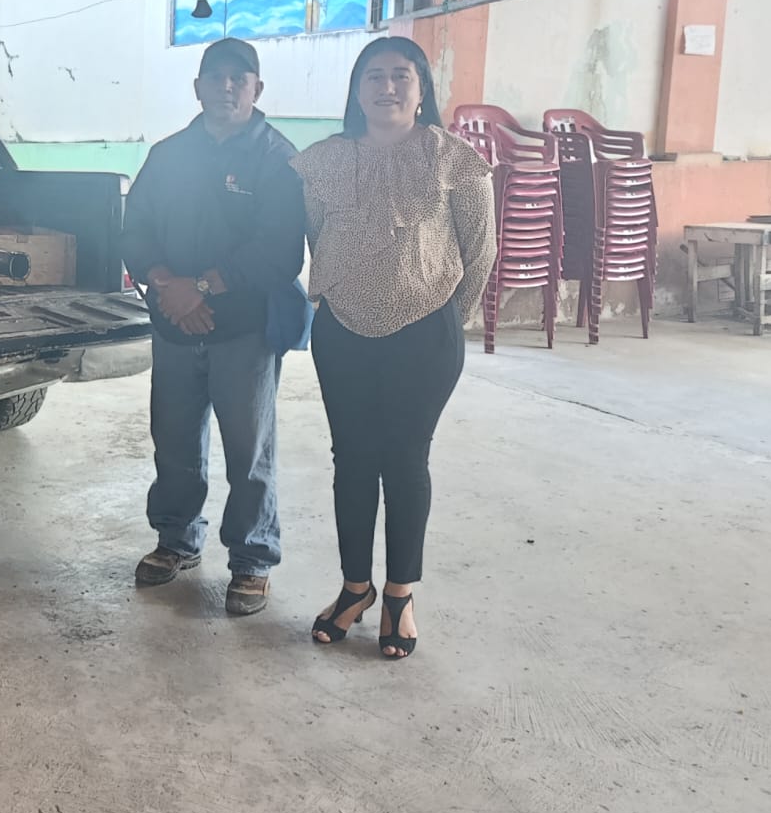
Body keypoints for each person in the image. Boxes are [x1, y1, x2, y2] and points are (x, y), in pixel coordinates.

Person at [291, 36, 496, 659]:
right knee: (352, 459)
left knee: (406, 460)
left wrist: (445, 319)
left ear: (421, 88)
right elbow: (315, 236)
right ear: (357, 91)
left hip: (426, 333)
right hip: (342, 332)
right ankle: (355, 588)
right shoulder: (321, 162)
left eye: (401, 75)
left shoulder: (455, 160)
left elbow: (480, 249)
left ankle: (400, 594)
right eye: (373, 76)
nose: (387, 87)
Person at [121, 37, 307, 616]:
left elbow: (280, 252)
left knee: (248, 450)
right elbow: (135, 230)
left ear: (257, 88)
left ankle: (252, 558)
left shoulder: (277, 159)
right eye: (215, 76)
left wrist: (199, 288)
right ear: (197, 86)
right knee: (174, 439)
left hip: (243, 332)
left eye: (239, 77)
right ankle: (176, 538)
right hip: (175, 326)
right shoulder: (168, 155)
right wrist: (167, 285)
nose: (227, 86)